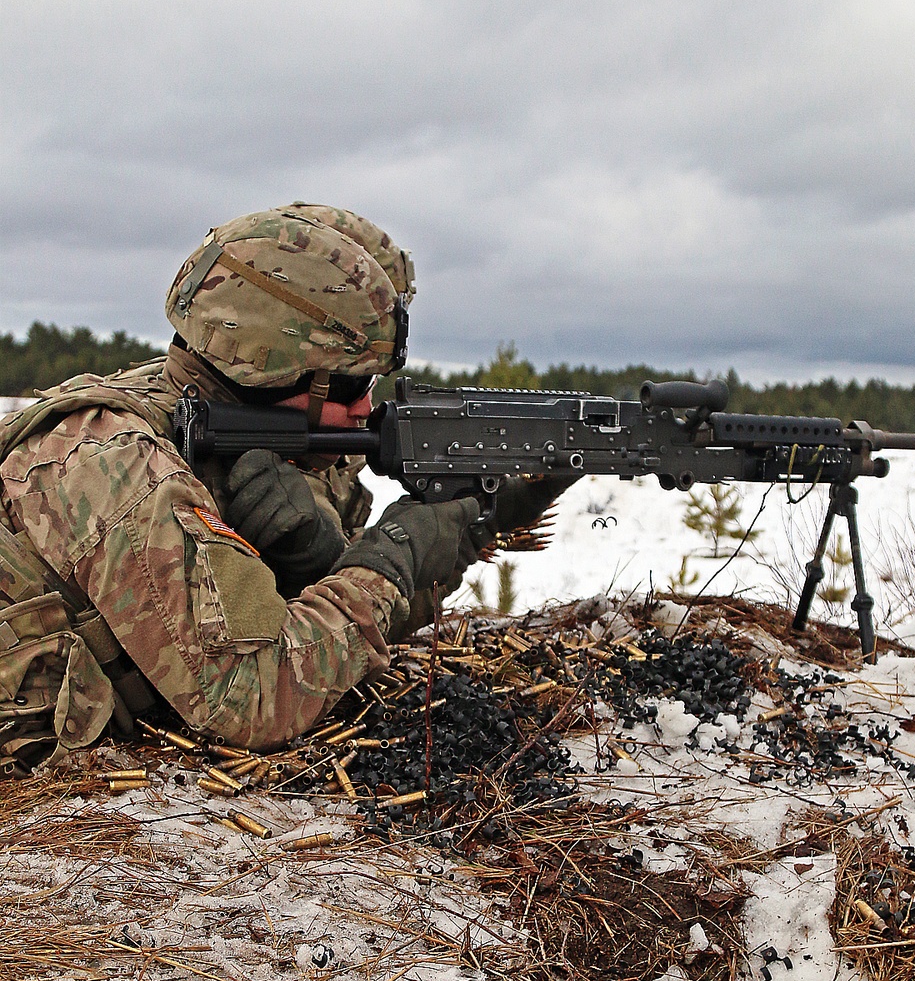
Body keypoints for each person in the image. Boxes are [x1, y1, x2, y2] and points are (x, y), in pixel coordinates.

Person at [0, 204, 564, 767]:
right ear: (274, 372)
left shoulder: (234, 429)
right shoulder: (115, 464)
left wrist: (468, 527)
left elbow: (332, 638)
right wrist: (389, 559)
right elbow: (250, 700)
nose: (365, 407)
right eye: (349, 384)